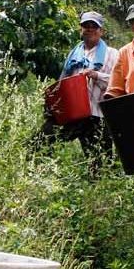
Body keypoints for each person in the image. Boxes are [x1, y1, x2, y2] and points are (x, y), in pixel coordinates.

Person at [50, 11, 119, 158]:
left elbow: (118, 84)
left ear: (101, 31)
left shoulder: (112, 54)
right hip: (74, 114)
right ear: (80, 29)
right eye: (85, 26)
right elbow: (63, 82)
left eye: (94, 26)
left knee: (100, 162)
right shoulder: (74, 55)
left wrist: (96, 75)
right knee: (44, 141)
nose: (89, 29)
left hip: (98, 115)